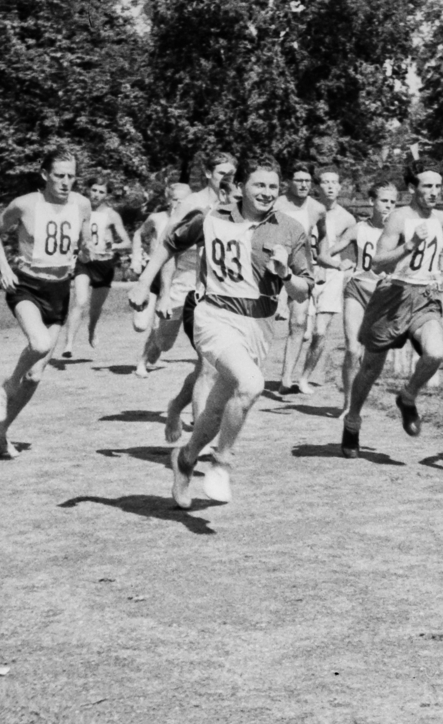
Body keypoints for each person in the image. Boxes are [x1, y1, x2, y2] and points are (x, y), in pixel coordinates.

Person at [129, 158, 313, 508]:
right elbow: (170, 242)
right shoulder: (211, 217)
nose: (267, 193)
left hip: (258, 326)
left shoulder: (289, 229)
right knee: (252, 384)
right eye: (259, 185)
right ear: (242, 186)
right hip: (214, 316)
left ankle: (185, 458)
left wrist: (286, 274)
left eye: (273, 187)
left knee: (214, 414)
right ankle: (221, 461)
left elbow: (304, 290)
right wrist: (143, 283)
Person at [0, 149, 91, 458]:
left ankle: (1, 431)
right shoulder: (25, 204)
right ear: (44, 174)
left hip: (58, 290)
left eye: (71, 176)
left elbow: (83, 246)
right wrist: (4, 268)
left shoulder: (82, 204)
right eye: (59, 175)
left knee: (36, 375)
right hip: (26, 286)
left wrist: (87, 252)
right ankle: (8, 384)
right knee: (40, 344)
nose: (66, 182)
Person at [340, 159, 443, 459]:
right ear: (413, 188)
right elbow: (376, 262)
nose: (434, 191)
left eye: (438, 186)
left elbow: (435, 252)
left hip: (424, 297)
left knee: (436, 353)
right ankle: (352, 420)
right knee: (371, 368)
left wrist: (436, 276)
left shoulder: (441, 218)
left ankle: (407, 396)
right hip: (393, 296)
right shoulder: (399, 218)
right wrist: (410, 245)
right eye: (427, 185)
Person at [156, 154, 238, 443]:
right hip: (183, 281)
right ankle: (175, 404)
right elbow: (168, 247)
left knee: (207, 365)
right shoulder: (191, 205)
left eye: (231, 173)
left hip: (213, 291)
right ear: (207, 173)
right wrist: (164, 294)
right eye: (220, 172)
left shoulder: (238, 205)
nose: (225, 177)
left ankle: (197, 435)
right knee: (165, 344)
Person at [318, 180, 397, 412]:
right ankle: (348, 404)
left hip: (383, 295)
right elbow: (324, 255)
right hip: (358, 290)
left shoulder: (399, 232)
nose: (388, 206)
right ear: (372, 202)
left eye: (393, 202)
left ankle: (360, 399)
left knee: (373, 356)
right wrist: (337, 263)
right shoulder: (358, 229)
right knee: (353, 349)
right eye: (384, 201)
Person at [292, 165, 352, 397]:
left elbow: (350, 246)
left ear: (339, 187)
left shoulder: (347, 218)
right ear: (317, 186)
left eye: (334, 182)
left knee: (319, 332)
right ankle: (288, 375)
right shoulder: (307, 210)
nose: (330, 186)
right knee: (302, 329)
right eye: (325, 182)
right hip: (305, 272)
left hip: (332, 276)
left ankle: (304, 378)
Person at [57, 177, 130, 358]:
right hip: (85, 262)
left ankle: (91, 329)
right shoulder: (79, 210)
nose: (96, 195)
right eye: (94, 190)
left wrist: (112, 245)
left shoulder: (112, 215)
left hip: (104, 264)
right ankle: (69, 344)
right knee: (80, 301)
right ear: (89, 190)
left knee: (95, 308)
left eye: (101, 192)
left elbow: (126, 242)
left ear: (106, 195)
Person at [273, 161, 328, 394]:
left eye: (307, 180)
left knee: (298, 323)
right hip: (270, 266)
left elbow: (323, 235)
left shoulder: (317, 208)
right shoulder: (276, 204)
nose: (304, 184)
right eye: (299, 180)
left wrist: (322, 260)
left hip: (299, 269)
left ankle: (286, 378)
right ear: (288, 182)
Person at [131, 181, 190, 377]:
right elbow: (139, 235)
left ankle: (143, 361)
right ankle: (149, 355)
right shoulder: (156, 218)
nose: (179, 203)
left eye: (184, 200)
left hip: (174, 279)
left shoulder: (192, 222)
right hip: (153, 276)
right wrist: (136, 258)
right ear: (167, 200)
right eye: (175, 199)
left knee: (160, 329)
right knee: (140, 325)